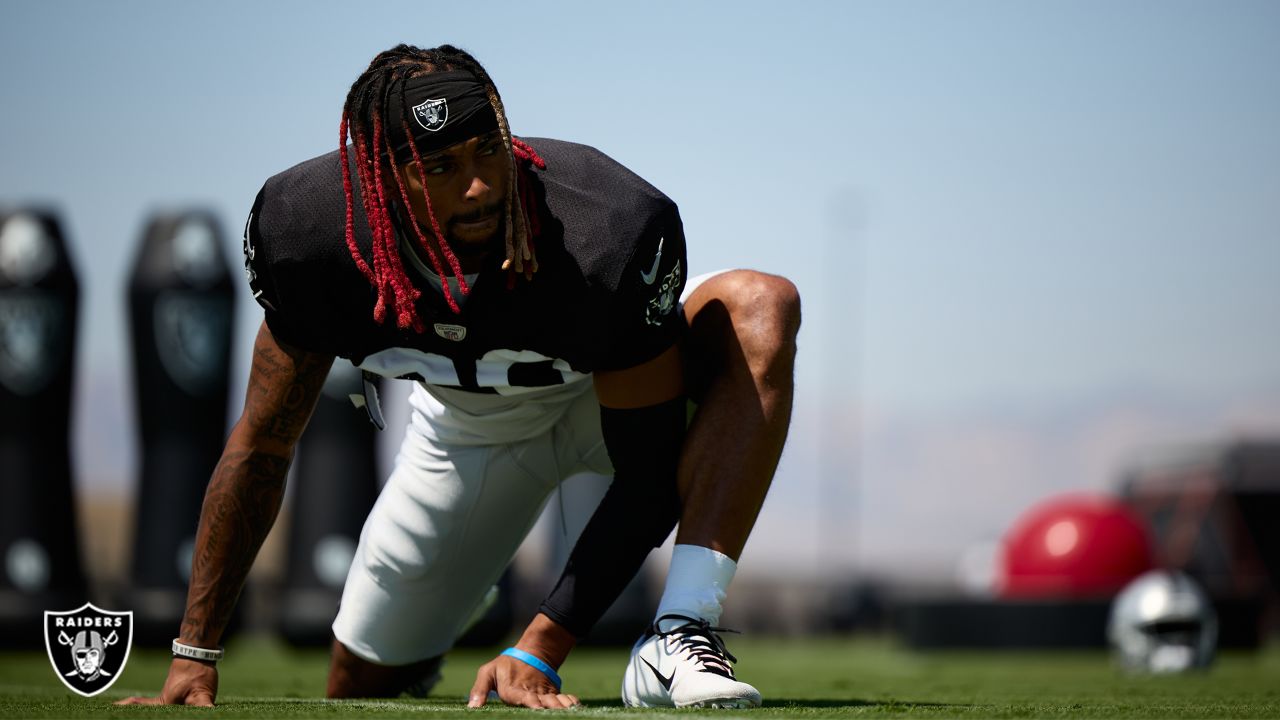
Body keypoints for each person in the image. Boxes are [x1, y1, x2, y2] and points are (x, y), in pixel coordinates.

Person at [118, 43, 799, 710]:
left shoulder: (605, 227)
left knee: (761, 306)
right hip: (467, 431)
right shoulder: (311, 239)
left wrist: (540, 647)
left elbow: (649, 477)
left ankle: (678, 633)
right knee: (358, 687)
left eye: (487, 151)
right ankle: (452, 596)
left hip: (606, 401)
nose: (476, 187)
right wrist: (195, 652)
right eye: (439, 166)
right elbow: (262, 446)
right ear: (380, 181)